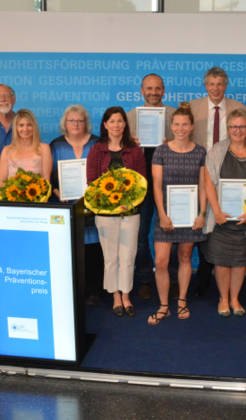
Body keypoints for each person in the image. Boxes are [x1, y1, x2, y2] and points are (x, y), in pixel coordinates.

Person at [189, 66, 246, 297]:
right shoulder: (192, 107)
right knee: (202, 221)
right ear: (205, 86)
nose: (216, 88)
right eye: (211, 84)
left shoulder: (238, 108)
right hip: (198, 171)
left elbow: (242, 138)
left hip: (229, 174)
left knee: (221, 222)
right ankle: (204, 274)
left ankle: (216, 274)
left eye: (220, 84)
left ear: (226, 86)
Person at [147, 103, 207, 324]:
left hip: (189, 217)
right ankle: (164, 305)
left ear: (191, 126)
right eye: (177, 124)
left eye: (185, 124)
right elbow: (156, 185)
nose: (180, 128)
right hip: (166, 216)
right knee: (161, 262)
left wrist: (202, 213)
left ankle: (181, 300)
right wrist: (161, 215)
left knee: (185, 258)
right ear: (171, 126)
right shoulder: (161, 151)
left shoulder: (201, 152)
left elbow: (203, 185)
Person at [204, 109, 246, 317]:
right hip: (221, 219)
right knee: (221, 260)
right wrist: (217, 211)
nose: (237, 130)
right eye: (233, 127)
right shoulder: (216, 151)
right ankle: (223, 298)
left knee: (240, 260)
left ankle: (235, 298)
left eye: (242, 126)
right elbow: (209, 183)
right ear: (228, 128)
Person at [87, 107, 146, 317]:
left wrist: (128, 203)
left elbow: (141, 184)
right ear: (105, 124)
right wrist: (109, 204)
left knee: (128, 256)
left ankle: (127, 295)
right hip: (105, 214)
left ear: (125, 124)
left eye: (120, 121)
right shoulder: (96, 150)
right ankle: (115, 296)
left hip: (130, 212)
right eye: (112, 121)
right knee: (111, 258)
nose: (116, 125)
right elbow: (92, 183)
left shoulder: (135, 151)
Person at [125, 74, 177, 300]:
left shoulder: (175, 116)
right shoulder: (129, 117)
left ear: (164, 91)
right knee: (140, 236)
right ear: (141, 91)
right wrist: (131, 145)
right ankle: (145, 278)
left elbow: (188, 146)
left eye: (157, 88)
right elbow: (119, 151)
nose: (153, 92)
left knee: (175, 232)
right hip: (140, 186)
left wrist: (171, 145)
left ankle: (173, 278)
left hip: (171, 186)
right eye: (149, 88)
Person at [50, 105, 104, 306]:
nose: (75, 124)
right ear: (65, 124)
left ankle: (94, 290)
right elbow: (48, 174)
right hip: (67, 205)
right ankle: (74, 290)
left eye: (79, 121)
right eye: (71, 121)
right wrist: (55, 190)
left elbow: (106, 172)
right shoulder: (55, 145)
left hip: (94, 204)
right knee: (71, 249)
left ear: (86, 123)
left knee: (94, 249)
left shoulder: (98, 143)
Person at [0, 110, 53, 182]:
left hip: (37, 193)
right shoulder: (6, 150)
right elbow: (2, 182)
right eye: (21, 125)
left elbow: (46, 180)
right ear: (16, 128)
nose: (25, 129)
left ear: (34, 127)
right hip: (12, 193)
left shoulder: (44, 148)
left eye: (29, 125)